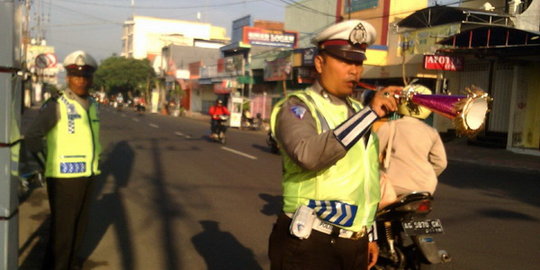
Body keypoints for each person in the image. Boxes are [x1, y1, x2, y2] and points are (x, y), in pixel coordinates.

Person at [268, 19, 401, 270]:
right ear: (320, 63)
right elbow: (308, 155)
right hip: (309, 242)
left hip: (353, 245)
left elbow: (366, 181)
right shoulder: (297, 106)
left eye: (359, 62)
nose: (354, 70)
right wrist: (370, 114)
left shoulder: (359, 112)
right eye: (345, 60)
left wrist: (369, 234)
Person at [24, 50, 101, 270]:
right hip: (63, 178)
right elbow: (32, 137)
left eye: (86, 76)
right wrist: (46, 164)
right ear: (68, 78)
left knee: (79, 228)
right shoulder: (57, 105)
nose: (81, 81)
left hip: (87, 175)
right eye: (76, 76)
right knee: (63, 233)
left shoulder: (94, 105)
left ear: (91, 79)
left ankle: (70, 264)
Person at [376, 85, 447, 196]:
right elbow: (441, 163)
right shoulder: (431, 132)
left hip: (394, 186)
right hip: (426, 187)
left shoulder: (390, 126)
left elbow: (371, 154)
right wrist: (424, 175)